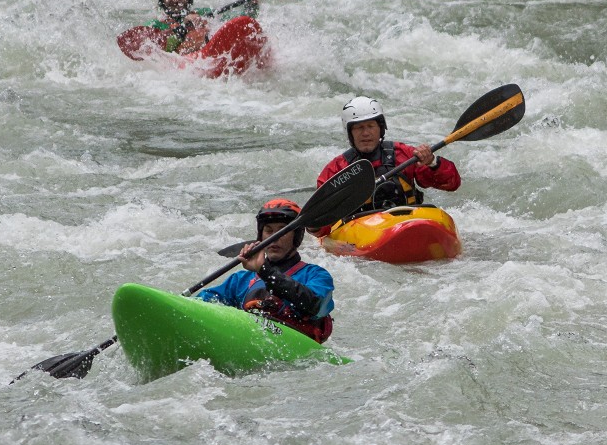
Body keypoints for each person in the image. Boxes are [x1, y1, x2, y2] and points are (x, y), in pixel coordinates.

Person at [196, 198, 337, 342]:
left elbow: (313, 305)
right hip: (250, 343)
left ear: (296, 236)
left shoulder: (316, 275)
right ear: (261, 236)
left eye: (282, 231)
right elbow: (199, 305)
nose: (274, 239)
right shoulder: (240, 281)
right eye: (269, 231)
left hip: (297, 355)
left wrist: (265, 272)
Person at [316, 96, 461, 212]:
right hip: (364, 233)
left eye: (370, 126)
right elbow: (320, 227)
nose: (366, 133)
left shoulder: (404, 155)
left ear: (381, 128)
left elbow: (451, 184)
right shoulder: (336, 169)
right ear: (350, 133)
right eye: (359, 128)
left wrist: (432, 162)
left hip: (406, 222)